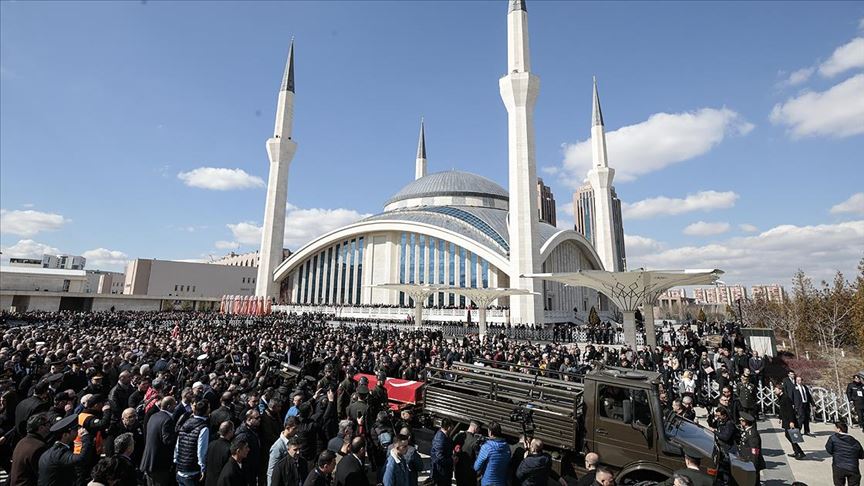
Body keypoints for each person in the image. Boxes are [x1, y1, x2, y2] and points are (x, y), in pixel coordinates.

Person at [37, 414, 92, 486]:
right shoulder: (59, 453)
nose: (77, 432)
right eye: (75, 430)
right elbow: (81, 459)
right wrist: (85, 437)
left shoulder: (50, 452)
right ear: (65, 435)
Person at [140, 396, 177, 486]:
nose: (175, 408)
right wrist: (178, 434)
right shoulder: (167, 420)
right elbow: (167, 441)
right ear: (168, 406)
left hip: (149, 461)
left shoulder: (154, 416)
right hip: (159, 464)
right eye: (174, 405)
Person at [174, 400, 211, 486]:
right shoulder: (203, 428)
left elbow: (178, 444)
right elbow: (201, 451)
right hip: (192, 471)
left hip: (180, 469)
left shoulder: (185, 423)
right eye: (209, 408)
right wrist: (202, 468)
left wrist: (176, 460)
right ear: (206, 411)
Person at [10, 412, 51, 486]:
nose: (50, 426)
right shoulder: (39, 447)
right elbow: (43, 475)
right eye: (48, 424)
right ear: (41, 428)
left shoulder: (22, 442)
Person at [825, 421, 864, 486]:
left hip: (838, 467)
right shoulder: (855, 441)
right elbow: (862, 455)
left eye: (835, 428)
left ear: (839, 429)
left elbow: (829, 449)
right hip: (853, 468)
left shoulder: (833, 438)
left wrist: (836, 454)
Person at [473, 421, 510, 486]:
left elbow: (476, 467)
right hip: (501, 483)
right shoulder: (506, 447)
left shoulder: (487, 447)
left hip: (488, 483)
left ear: (490, 432)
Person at [777, 385, 805, 460]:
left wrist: (792, 421)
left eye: (776, 389)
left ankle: (799, 452)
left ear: (780, 390)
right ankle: (797, 451)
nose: (775, 391)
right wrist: (780, 417)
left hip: (789, 420)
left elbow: (790, 411)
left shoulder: (786, 398)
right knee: (789, 435)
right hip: (786, 420)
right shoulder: (781, 398)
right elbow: (782, 409)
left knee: (790, 436)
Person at [736, 413, 764, 485]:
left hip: (751, 462)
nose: (740, 422)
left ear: (745, 422)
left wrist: (753, 466)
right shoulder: (747, 431)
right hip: (746, 461)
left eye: (741, 420)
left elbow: (755, 451)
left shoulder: (752, 434)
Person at [207, 421, 236, 486]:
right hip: (220, 482)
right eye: (233, 429)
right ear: (230, 431)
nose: (234, 431)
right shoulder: (229, 448)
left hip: (209, 481)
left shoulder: (211, 444)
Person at [430, 418, 454, 486]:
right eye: (452, 427)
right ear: (449, 427)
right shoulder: (440, 438)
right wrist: (452, 460)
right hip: (440, 473)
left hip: (444, 472)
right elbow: (439, 458)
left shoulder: (444, 436)